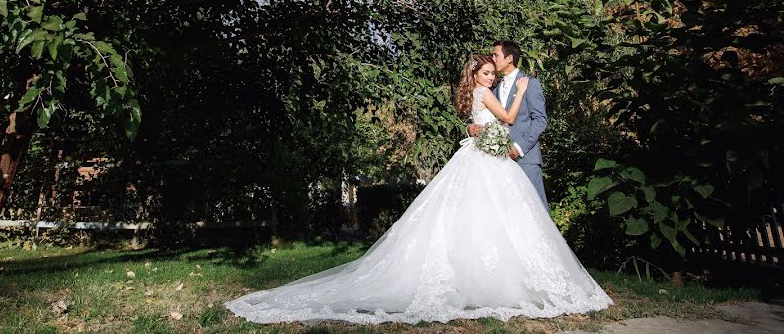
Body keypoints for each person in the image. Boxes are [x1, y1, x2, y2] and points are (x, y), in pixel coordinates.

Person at [225, 54, 613, 325]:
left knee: (476, 213)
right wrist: (522, 88)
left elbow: (482, 122)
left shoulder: (472, 96)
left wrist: (478, 129)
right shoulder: (488, 94)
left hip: (481, 154)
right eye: (485, 73)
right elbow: (509, 117)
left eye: (492, 74)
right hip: (488, 158)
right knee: (495, 213)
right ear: (476, 75)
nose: (490, 77)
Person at [469, 40, 548, 208]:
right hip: (499, 160)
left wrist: (518, 148)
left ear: (509, 58)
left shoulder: (530, 83)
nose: (493, 58)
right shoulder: (494, 88)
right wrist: (470, 128)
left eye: (496, 55)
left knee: (535, 210)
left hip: (525, 158)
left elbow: (540, 120)